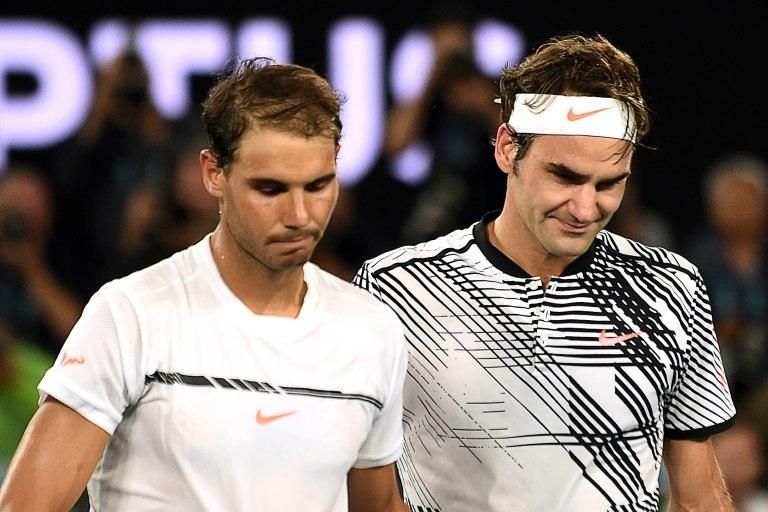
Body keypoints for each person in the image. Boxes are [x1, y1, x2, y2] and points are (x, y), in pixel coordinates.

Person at [0, 57, 409, 512]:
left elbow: (380, 507)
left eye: (317, 186)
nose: (300, 216)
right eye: (270, 189)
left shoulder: (371, 330)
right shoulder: (130, 315)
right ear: (214, 172)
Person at [354, 33, 736, 511]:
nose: (585, 208)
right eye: (565, 176)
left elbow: (700, 499)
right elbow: (368, 497)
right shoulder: (393, 288)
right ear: (507, 149)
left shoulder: (672, 287)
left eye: (608, 184)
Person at [685, 152, 768, 404]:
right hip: (718, 367)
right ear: (712, 207)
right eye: (731, 202)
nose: (739, 211)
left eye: (746, 201)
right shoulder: (697, 255)